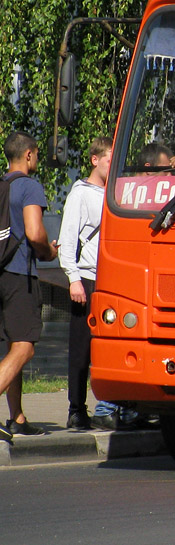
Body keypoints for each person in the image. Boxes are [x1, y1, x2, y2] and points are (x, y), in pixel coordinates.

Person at [0, 131, 58, 441]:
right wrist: (49, 251)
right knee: (25, 346)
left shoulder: (1, 186)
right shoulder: (29, 187)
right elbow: (35, 233)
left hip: (0, 273)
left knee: (13, 344)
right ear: (29, 155)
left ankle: (17, 417)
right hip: (19, 274)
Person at [58, 136, 112, 430]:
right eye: (108, 158)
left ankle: (114, 406)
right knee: (80, 348)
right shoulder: (80, 193)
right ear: (95, 160)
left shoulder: (114, 194)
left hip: (110, 279)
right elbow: (67, 239)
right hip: (87, 279)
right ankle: (76, 409)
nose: (111, 164)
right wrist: (74, 279)